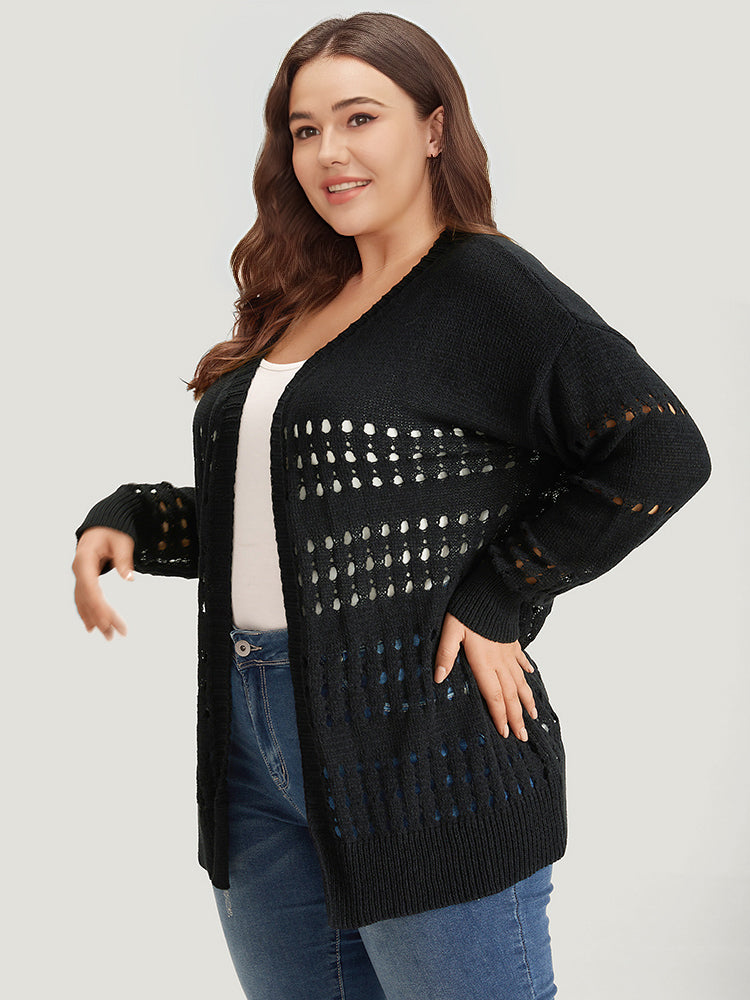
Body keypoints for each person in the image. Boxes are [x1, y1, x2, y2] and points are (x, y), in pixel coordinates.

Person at [71, 11, 712, 1000]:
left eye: (359, 118)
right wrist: (137, 520)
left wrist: (500, 595)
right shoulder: (302, 300)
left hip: (423, 741)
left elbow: (660, 447)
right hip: (252, 745)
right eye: (305, 129)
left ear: (434, 127)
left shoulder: (485, 285)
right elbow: (311, 523)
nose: (329, 151)